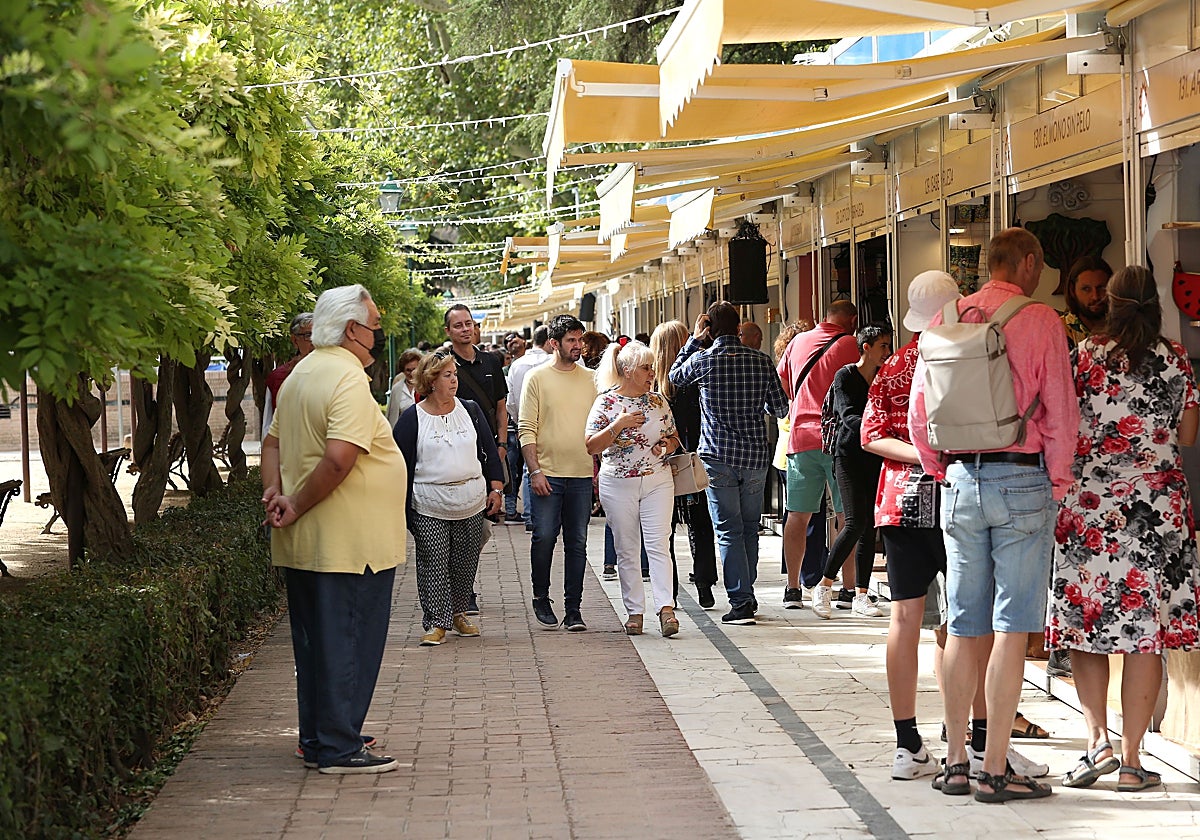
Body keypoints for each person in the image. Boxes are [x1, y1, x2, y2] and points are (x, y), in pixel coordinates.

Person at [911, 228, 1078, 802]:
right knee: (1012, 626)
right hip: (1022, 477)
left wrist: (940, 467)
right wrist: (1058, 480)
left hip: (959, 480)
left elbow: (919, 410)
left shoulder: (946, 318)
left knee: (963, 624)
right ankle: (996, 768)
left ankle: (956, 761)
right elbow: (1060, 407)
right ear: (1028, 263)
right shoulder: (1040, 319)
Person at [1050, 265, 1199, 793]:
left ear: (1109, 304)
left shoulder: (1083, 357)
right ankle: (1133, 762)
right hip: (1158, 510)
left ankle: (1099, 744)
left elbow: (1061, 426)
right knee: (1146, 635)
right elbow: (1188, 433)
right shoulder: (1175, 358)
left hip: (1090, 506)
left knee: (1085, 626)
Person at [260, 284, 404, 775]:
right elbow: (340, 458)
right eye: (374, 327)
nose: (377, 336)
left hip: (309, 542)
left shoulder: (302, 373)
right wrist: (294, 502)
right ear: (352, 330)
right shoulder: (346, 378)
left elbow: (272, 443)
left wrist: (275, 493)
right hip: (351, 543)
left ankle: (320, 739)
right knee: (349, 644)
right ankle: (339, 746)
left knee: (315, 647)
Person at [669, 302, 789, 625]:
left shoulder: (703, 359)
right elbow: (780, 408)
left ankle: (741, 601)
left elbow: (674, 376)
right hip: (755, 457)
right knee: (750, 528)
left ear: (709, 329)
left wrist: (694, 340)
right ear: (739, 328)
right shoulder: (762, 361)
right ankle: (746, 594)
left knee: (727, 530)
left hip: (717, 457)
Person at [394, 350, 504, 646]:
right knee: (433, 561)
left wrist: (496, 489)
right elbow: (398, 464)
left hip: (471, 500)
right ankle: (435, 622)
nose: (454, 380)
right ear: (431, 381)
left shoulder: (470, 410)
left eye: (454, 374)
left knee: (464, 562)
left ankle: (457, 614)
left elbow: (489, 451)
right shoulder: (412, 418)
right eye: (447, 375)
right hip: (428, 502)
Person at [586, 341, 682, 636]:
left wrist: (667, 445)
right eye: (646, 368)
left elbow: (674, 436)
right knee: (627, 548)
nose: (652, 373)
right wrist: (619, 424)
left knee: (659, 544)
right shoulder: (606, 403)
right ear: (627, 371)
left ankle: (666, 609)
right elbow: (591, 445)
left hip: (657, 479)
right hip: (618, 482)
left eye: (652, 367)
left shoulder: (658, 401)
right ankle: (634, 611)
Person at [777, 301, 861, 609]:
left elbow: (783, 380)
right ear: (852, 320)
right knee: (846, 516)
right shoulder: (850, 343)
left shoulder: (798, 341)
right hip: (838, 439)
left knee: (798, 514)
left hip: (801, 437)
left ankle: (793, 588)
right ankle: (849, 588)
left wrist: (804, 400)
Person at [519, 314, 597, 631]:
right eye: (571, 340)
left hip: (581, 474)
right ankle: (541, 596)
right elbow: (526, 428)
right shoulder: (536, 378)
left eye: (580, 339)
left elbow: (601, 426)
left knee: (577, 543)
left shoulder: (592, 379)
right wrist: (534, 471)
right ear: (554, 343)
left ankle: (573, 609)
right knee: (545, 537)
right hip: (547, 473)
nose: (578, 346)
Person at [811, 324, 892, 619]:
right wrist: (880, 429)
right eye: (883, 346)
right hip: (848, 457)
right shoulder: (845, 376)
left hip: (877, 457)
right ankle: (824, 585)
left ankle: (861, 594)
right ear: (866, 347)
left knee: (869, 526)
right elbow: (847, 416)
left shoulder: (885, 377)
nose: (887, 352)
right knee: (855, 523)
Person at [444, 305, 508, 613]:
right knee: (458, 525)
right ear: (448, 331)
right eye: (458, 325)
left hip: (487, 454)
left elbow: (501, 407)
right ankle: (462, 589)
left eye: (468, 323)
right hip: (455, 455)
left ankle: (461, 582)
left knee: (480, 528)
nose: (465, 329)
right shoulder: (443, 364)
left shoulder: (492, 361)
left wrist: (502, 444)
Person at [652, 321, 718, 608]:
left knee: (663, 530)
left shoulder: (652, 387)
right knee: (700, 524)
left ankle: (671, 592)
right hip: (693, 460)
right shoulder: (692, 379)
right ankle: (704, 585)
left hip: (661, 462)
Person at [506, 325, 551, 526]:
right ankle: (542, 516)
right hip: (550, 424)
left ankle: (530, 515)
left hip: (525, 422)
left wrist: (519, 422)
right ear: (550, 341)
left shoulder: (517, 365)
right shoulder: (551, 362)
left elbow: (511, 401)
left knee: (528, 467)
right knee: (549, 467)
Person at [261, 313, 314, 439]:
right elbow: (268, 426)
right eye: (308, 335)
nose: (315, 341)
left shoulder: (337, 374)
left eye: (319, 334)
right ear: (295, 341)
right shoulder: (278, 378)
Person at [1060, 255, 1113, 348]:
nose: (1095, 296)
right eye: (1086, 289)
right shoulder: (1058, 330)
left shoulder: (1122, 328)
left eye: (1101, 288)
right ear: (1072, 290)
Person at [386, 348, 424, 427]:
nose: (412, 373)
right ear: (403, 371)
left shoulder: (427, 386)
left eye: (414, 369)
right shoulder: (397, 389)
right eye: (408, 370)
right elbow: (391, 417)